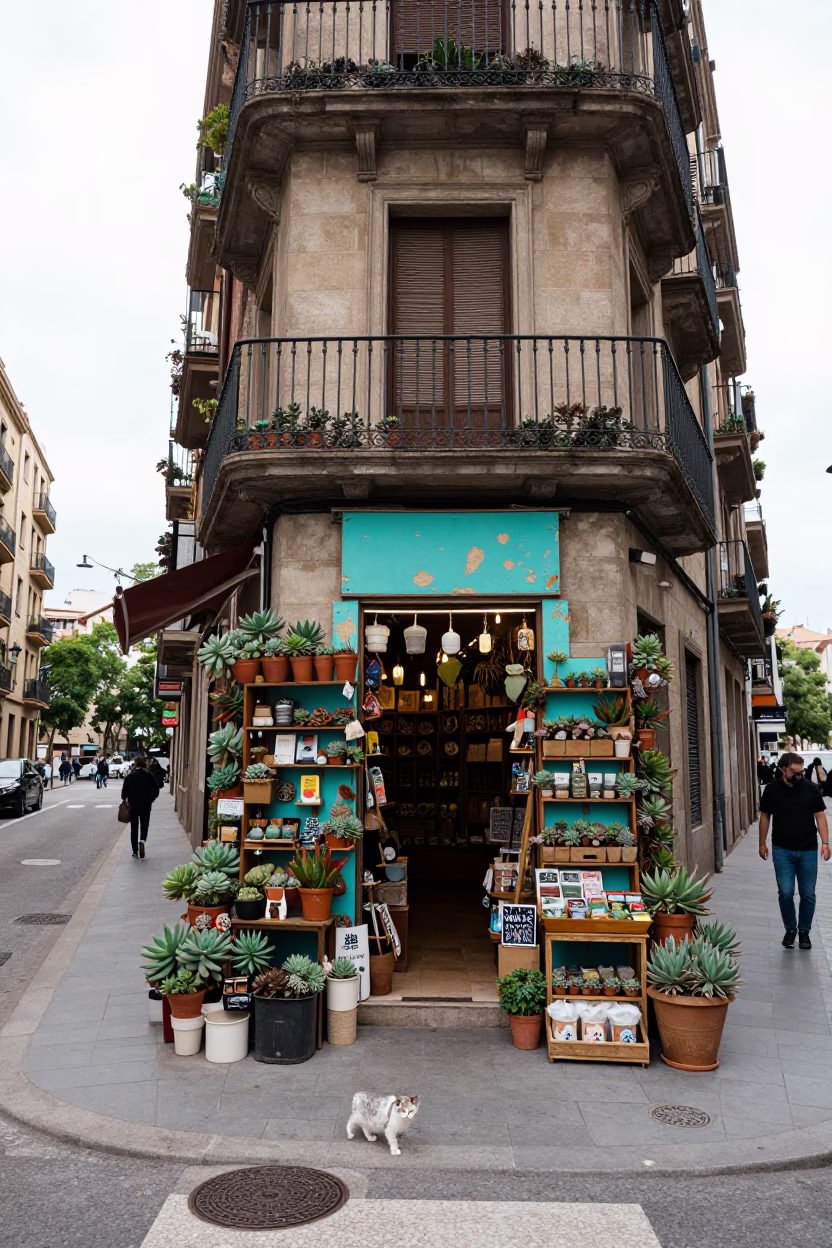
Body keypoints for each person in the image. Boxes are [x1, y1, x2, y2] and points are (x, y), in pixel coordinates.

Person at [759, 751, 830, 949]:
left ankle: (804, 932)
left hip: (808, 849)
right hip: (782, 850)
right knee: (786, 892)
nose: (799, 775)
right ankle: (790, 929)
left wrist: (825, 842)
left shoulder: (811, 788)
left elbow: (820, 816)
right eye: (794, 772)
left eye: (801, 772)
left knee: (808, 894)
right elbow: (765, 816)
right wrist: (761, 843)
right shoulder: (772, 789)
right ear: (783, 769)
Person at [121, 756, 160, 859]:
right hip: (146, 806)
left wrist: (128, 799)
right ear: (144, 765)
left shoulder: (130, 777)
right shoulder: (149, 776)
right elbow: (156, 790)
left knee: (134, 828)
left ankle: (134, 850)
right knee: (144, 825)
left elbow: (123, 794)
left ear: (135, 765)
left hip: (133, 806)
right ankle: (142, 841)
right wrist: (150, 799)